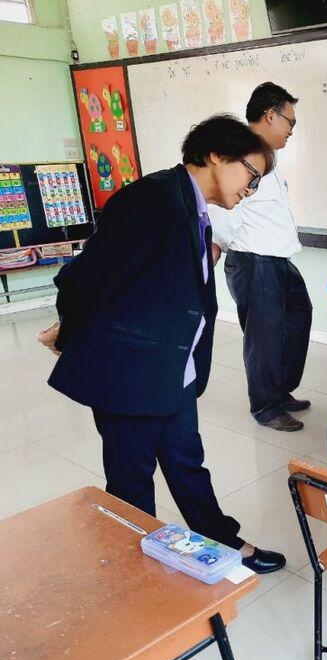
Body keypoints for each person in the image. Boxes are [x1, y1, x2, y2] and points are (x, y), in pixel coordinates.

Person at [38, 114, 287, 574]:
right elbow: (85, 278)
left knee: (186, 460)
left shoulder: (192, 207)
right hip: (130, 373)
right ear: (216, 155)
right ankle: (137, 575)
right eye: (251, 176)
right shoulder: (152, 198)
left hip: (172, 368)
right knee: (131, 479)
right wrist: (70, 333)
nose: (250, 190)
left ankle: (222, 540)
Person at [209, 82, 312, 432]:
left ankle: (279, 391)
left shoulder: (267, 157)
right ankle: (266, 406)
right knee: (264, 336)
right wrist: (218, 244)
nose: (291, 131)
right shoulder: (240, 154)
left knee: (298, 318)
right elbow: (223, 207)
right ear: (270, 115)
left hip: (278, 259)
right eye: (290, 122)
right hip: (254, 261)